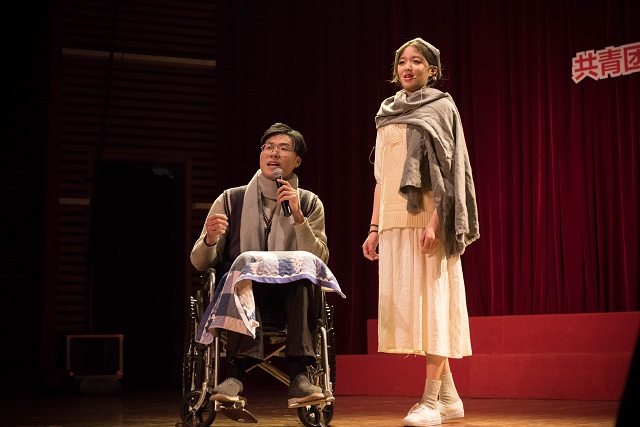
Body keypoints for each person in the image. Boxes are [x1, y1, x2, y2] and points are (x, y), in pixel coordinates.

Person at [362, 38, 480, 426]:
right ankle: (450, 399)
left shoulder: (441, 107)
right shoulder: (386, 112)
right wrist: (374, 227)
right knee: (414, 313)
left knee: (434, 310)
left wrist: (435, 222)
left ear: (432, 70)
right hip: (393, 223)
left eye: (417, 61)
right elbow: (381, 178)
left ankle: (430, 401)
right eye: (402, 62)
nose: (408, 67)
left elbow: (451, 172)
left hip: (428, 219)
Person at [191, 122, 330, 407]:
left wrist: (299, 218)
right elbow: (199, 263)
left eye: (283, 148)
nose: (274, 154)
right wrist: (210, 239)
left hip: (291, 294)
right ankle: (234, 375)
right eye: (269, 147)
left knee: (305, 275)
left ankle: (300, 376)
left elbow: (319, 259)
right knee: (245, 270)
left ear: (297, 161)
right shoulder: (230, 199)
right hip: (244, 290)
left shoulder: (309, 202)